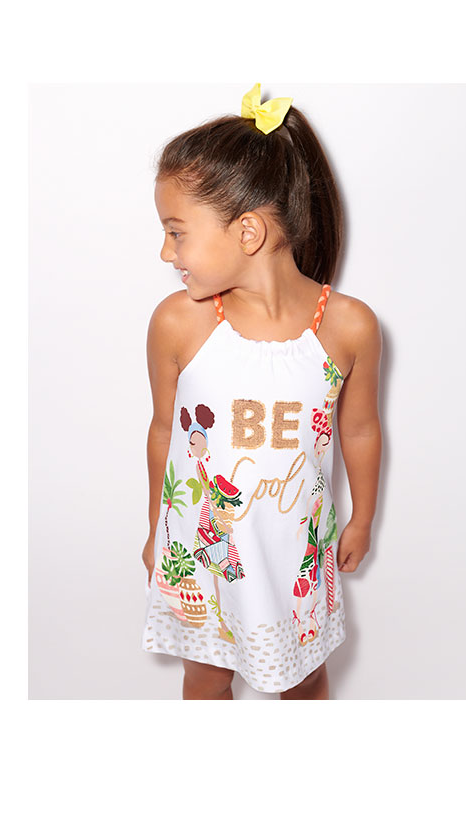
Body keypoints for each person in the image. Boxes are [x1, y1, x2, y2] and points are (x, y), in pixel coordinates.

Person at [140, 83, 382, 700]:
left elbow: (359, 429)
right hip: (204, 551)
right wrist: (155, 527)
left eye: (176, 232)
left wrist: (363, 519)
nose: (166, 252)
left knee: (303, 678)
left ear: (247, 231)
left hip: (293, 556)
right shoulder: (180, 323)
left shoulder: (348, 326)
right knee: (205, 674)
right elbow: (165, 431)